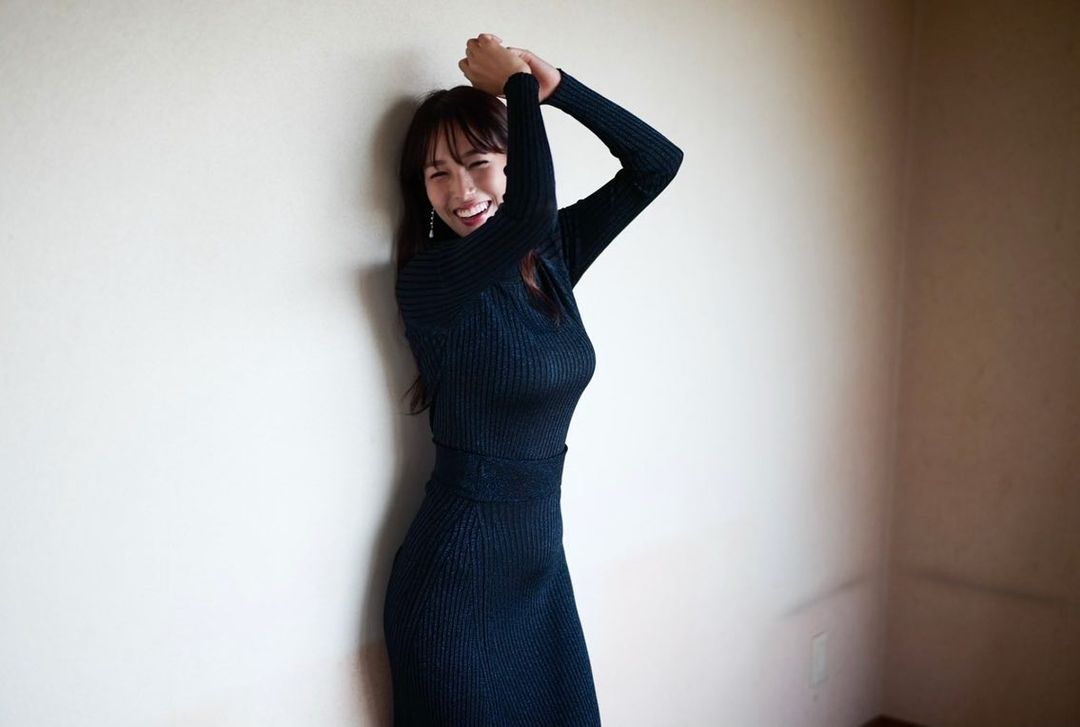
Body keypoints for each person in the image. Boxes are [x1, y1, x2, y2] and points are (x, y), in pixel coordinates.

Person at [383, 33, 683, 725]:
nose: (461, 191)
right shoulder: (430, 281)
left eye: (478, 164)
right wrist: (515, 87)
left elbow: (656, 164)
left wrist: (556, 86)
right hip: (455, 581)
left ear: (514, 165)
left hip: (538, 564)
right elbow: (528, 213)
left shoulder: (550, 258)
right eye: (437, 174)